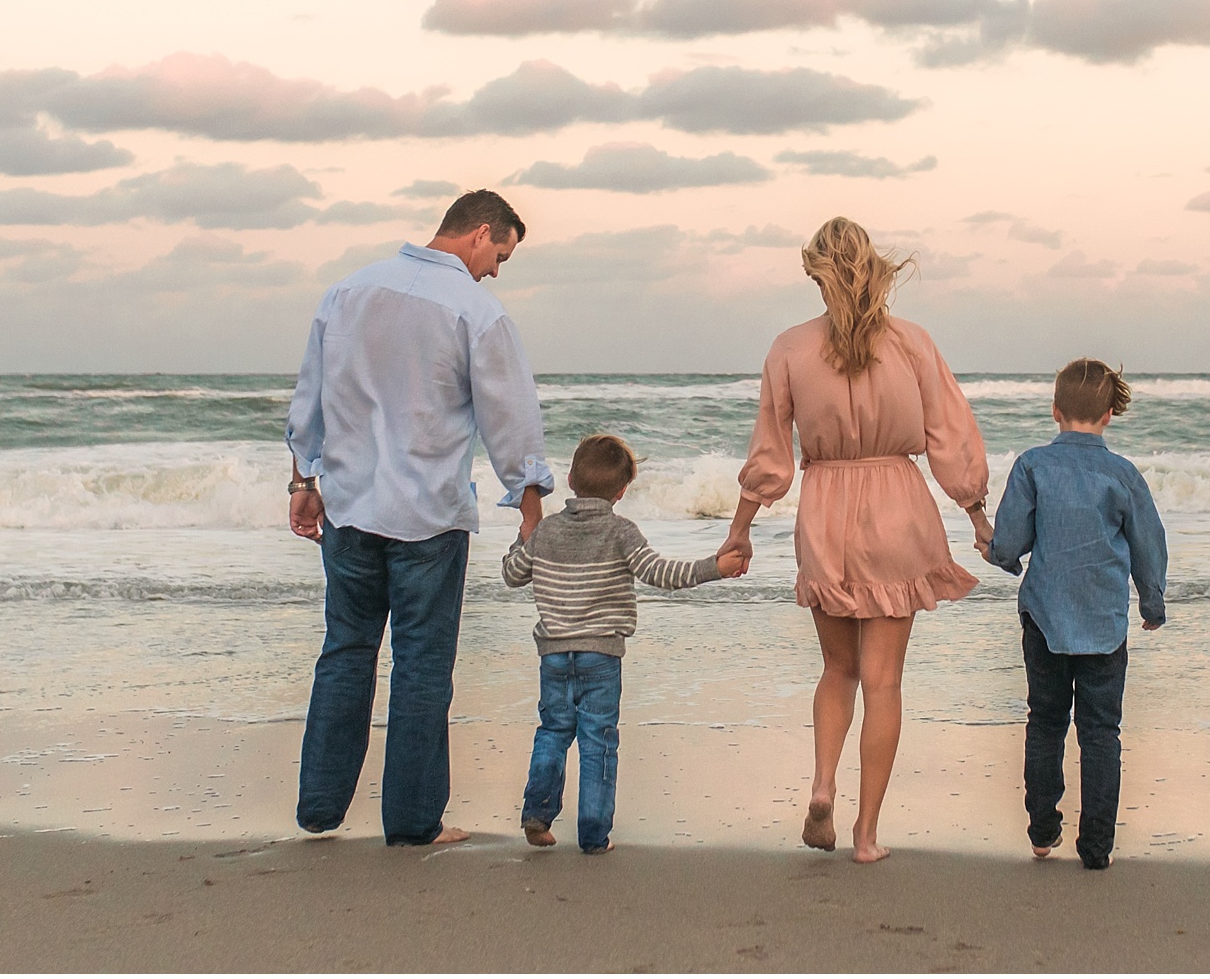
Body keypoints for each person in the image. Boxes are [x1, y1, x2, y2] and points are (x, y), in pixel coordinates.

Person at [285, 189, 554, 847]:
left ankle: (320, 809)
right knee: (422, 668)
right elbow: (510, 418)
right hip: (427, 515)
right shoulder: (475, 311)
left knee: (345, 654)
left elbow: (310, 393)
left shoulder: (347, 292)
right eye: (500, 253)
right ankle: (411, 823)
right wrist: (531, 507)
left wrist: (302, 478)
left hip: (349, 504)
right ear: (478, 231)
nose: (495, 268)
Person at [721, 217, 992, 864]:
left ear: (817, 273)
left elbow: (770, 456)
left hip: (825, 508)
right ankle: (867, 837)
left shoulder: (789, 348)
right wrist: (976, 512)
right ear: (873, 267)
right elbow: (951, 437)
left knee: (837, 670)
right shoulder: (913, 344)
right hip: (897, 505)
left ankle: (821, 787)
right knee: (884, 682)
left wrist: (739, 531)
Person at [501, 433, 744, 854]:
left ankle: (537, 814)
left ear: (571, 478)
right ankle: (593, 833)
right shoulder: (622, 531)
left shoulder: (546, 532)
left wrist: (525, 534)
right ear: (622, 490)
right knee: (598, 739)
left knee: (554, 731)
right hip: (601, 656)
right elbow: (661, 573)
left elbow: (512, 574)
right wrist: (714, 568)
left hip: (554, 655)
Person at [980, 358, 1168, 870]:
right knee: (1101, 731)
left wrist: (999, 552)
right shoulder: (1123, 474)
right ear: (1109, 415)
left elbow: (1011, 541)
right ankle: (1097, 848)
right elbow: (1149, 544)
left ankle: (1042, 833)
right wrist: (1152, 602)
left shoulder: (1033, 465)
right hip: (1104, 623)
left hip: (1044, 619)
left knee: (1044, 722)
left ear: (1054, 410)